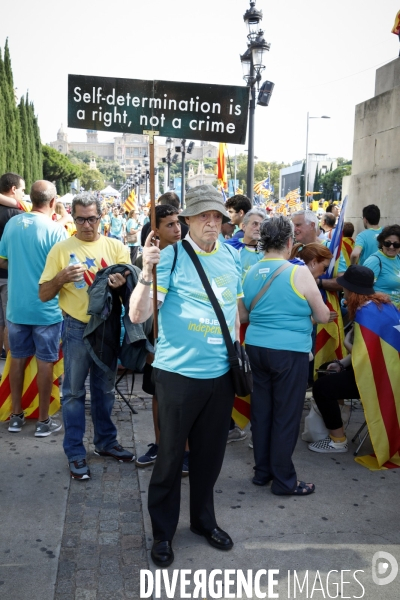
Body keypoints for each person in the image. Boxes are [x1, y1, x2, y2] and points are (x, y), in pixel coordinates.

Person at [129, 184, 242, 567]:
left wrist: (236, 356)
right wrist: (146, 272)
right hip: (177, 375)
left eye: (217, 216)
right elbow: (138, 317)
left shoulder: (232, 256)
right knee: (170, 459)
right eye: (203, 216)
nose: (212, 222)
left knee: (209, 459)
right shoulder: (171, 258)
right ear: (187, 220)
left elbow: (233, 314)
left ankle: (203, 522)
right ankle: (162, 533)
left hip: (221, 375)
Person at [39, 193, 134, 480]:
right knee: (73, 393)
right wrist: (61, 279)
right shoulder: (61, 249)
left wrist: (120, 285)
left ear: (100, 217)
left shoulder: (116, 247)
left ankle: (105, 442)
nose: (86, 225)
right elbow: (43, 294)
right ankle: (75, 452)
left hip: (107, 326)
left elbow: (132, 291)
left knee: (104, 391)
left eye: (91, 218)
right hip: (77, 328)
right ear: (72, 217)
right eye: (80, 218)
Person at [238, 216, 330, 495]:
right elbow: (323, 315)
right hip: (289, 351)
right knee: (286, 416)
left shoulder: (251, 271)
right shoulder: (298, 272)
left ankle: (262, 471)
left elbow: (242, 314)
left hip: (256, 347)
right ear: (290, 242)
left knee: (262, 412)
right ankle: (283, 480)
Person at [0, 180, 67, 435]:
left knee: (17, 360)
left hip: (17, 306)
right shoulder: (56, 229)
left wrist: (19, 266)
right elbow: (63, 271)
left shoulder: (13, 223)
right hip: (46, 308)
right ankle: (42, 421)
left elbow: (2, 259)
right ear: (53, 201)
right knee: (46, 362)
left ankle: (16, 416)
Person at [308, 265, 396, 454]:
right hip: (389, 374)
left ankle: (337, 440)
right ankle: (340, 419)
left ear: (351, 290)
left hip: (379, 379)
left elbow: (361, 354)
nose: (343, 291)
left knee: (321, 387)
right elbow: (369, 354)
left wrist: (348, 342)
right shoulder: (385, 306)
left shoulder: (365, 313)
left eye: (344, 287)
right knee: (326, 369)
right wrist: (341, 363)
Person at [135, 204, 189, 469]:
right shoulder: (149, 254)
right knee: (158, 393)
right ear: (155, 227)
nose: (177, 229)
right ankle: (160, 445)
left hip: (182, 335)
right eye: (169, 224)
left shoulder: (188, 252)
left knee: (184, 397)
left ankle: (186, 452)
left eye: (178, 223)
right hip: (156, 334)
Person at [0, 173, 24, 356]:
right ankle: (9, 369)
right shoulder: (18, 215)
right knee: (11, 321)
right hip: (10, 275)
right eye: (22, 190)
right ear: (13, 189)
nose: (23, 195)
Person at [364, 224, 400, 308]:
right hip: (381, 310)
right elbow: (363, 291)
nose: (391, 247)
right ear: (382, 243)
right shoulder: (374, 261)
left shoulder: (398, 258)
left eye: (396, 244)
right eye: (387, 243)